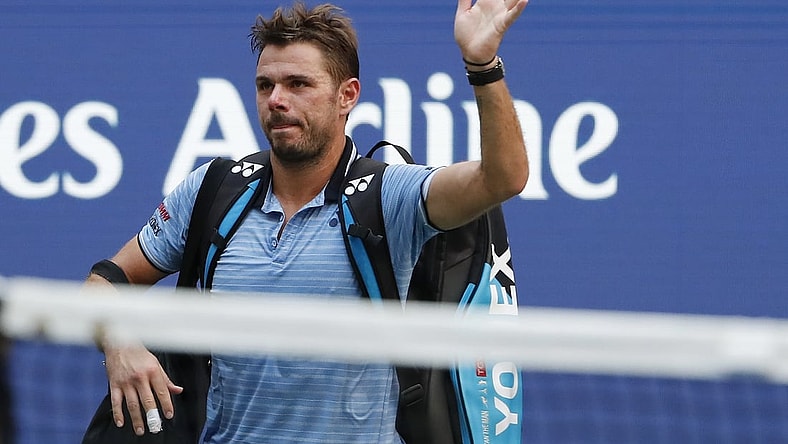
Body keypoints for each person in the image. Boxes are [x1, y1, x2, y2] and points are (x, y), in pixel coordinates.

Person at [86, 0, 529, 442]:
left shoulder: (390, 197)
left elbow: (502, 179)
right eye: (265, 85)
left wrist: (482, 64)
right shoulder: (214, 190)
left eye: (298, 84)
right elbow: (105, 280)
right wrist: (118, 344)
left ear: (347, 95)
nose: (277, 100)